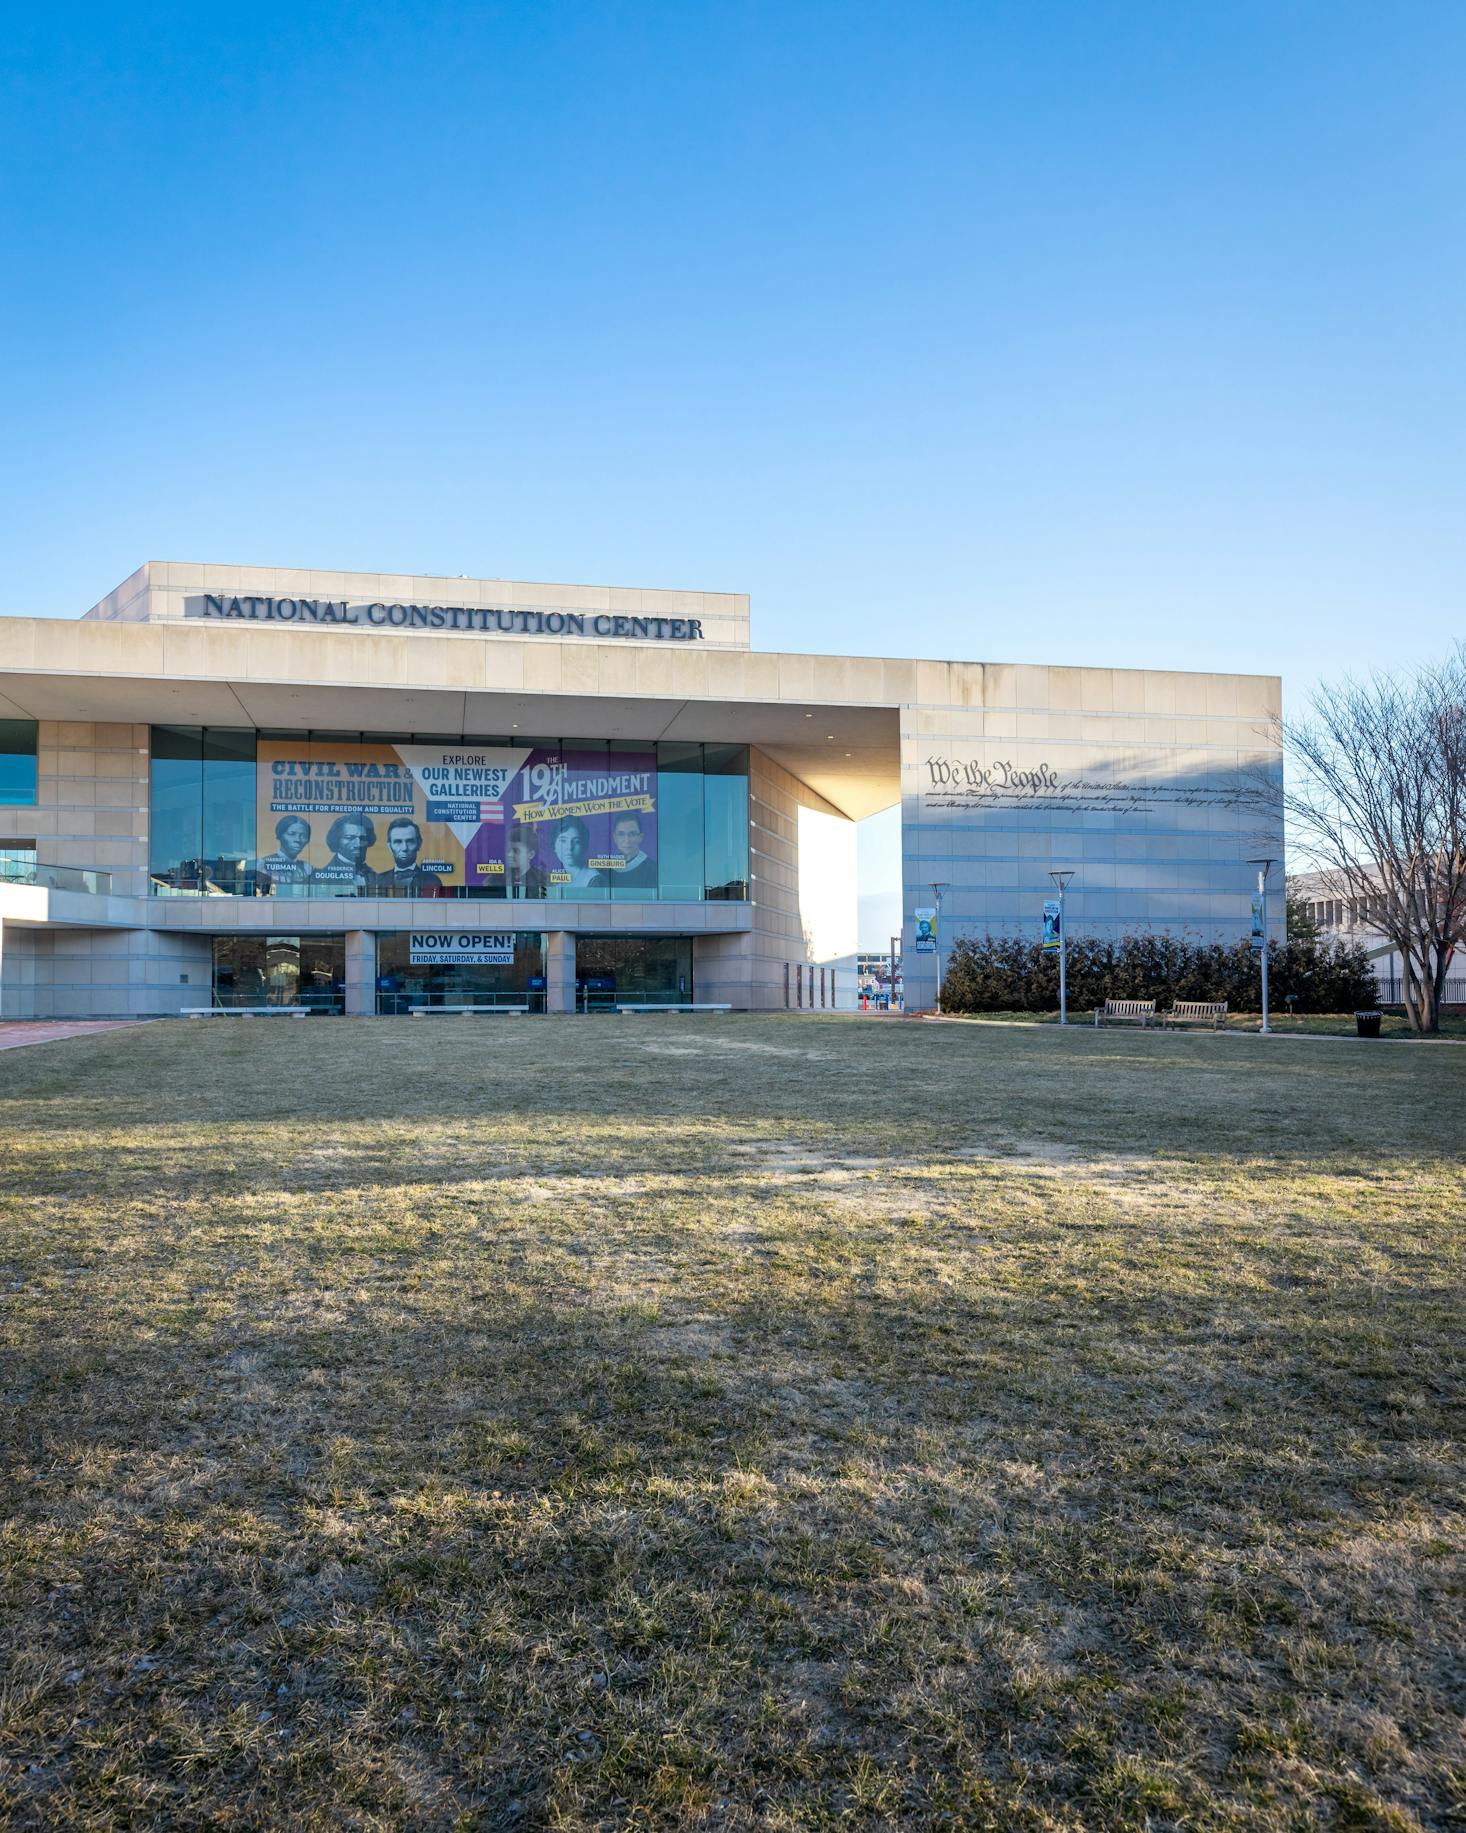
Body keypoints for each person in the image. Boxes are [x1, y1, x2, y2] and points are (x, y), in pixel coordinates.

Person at [374, 816, 444, 897]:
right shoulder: (378, 880)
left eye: (410, 841)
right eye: (398, 842)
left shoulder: (432, 881)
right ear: (390, 847)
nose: (404, 848)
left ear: (419, 844)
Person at [593, 811, 657, 888]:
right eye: (621, 834)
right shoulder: (605, 868)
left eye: (632, 834)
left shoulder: (653, 870)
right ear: (615, 838)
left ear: (640, 837)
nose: (627, 840)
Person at [316, 812, 376, 885]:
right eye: (349, 838)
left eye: (363, 838)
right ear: (336, 840)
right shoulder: (321, 876)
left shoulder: (375, 875)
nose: (358, 844)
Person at [260, 815, 314, 889]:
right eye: (292, 834)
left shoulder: (307, 868)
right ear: (280, 835)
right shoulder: (263, 864)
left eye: (303, 835)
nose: (297, 839)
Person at [550, 815, 597, 887]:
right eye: (563, 841)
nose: (569, 847)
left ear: (584, 846)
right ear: (554, 846)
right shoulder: (555, 880)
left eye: (576, 841)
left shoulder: (594, 880)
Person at [504, 821, 547, 898]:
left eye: (516, 851)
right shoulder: (495, 880)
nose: (509, 855)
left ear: (531, 854)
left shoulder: (541, 879)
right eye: (508, 850)